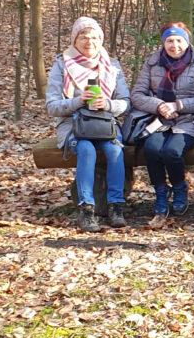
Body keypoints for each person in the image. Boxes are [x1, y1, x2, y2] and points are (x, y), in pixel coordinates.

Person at [46, 16, 131, 232]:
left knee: (114, 150)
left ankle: (116, 206)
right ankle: (86, 209)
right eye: (83, 36)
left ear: (101, 40)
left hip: (104, 123)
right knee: (85, 149)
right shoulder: (61, 65)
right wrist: (78, 100)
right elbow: (52, 106)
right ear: (74, 40)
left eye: (94, 37)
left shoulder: (112, 66)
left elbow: (126, 103)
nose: (89, 42)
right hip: (73, 124)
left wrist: (109, 104)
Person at [130, 22, 194, 228]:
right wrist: (159, 106)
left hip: (189, 121)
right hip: (158, 120)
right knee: (151, 148)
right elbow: (137, 95)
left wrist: (179, 105)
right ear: (163, 42)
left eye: (179, 40)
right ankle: (160, 191)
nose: (174, 45)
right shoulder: (152, 63)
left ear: (186, 42)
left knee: (171, 151)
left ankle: (179, 187)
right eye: (170, 41)